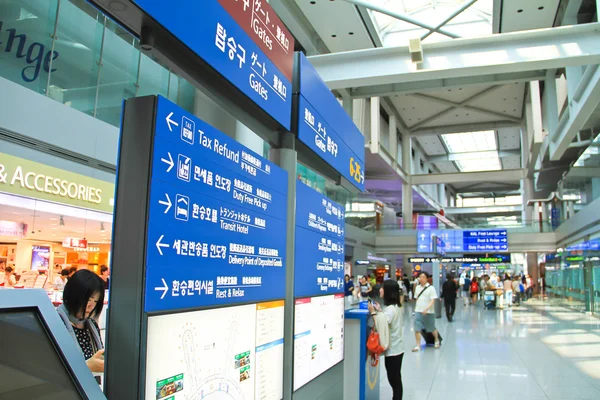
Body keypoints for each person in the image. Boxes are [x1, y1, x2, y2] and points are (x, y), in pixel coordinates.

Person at [56, 270, 105, 374]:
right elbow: (52, 367)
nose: (91, 306)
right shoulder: (56, 323)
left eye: (95, 301)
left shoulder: (91, 324)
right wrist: (87, 367)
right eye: (88, 299)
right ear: (74, 295)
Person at [369, 280, 404, 400]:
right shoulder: (395, 307)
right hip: (398, 348)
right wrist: (379, 311)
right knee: (396, 379)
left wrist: (373, 313)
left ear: (388, 291)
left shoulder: (391, 309)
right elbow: (385, 319)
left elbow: (381, 324)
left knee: (394, 380)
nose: (380, 290)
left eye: (382, 288)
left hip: (394, 350)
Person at [413, 272, 440, 351]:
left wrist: (427, 308)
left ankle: (436, 340)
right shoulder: (417, 287)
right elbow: (416, 298)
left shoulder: (431, 288)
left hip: (429, 312)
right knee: (417, 328)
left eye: (423, 277)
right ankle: (418, 345)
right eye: (420, 277)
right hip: (418, 311)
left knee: (431, 328)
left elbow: (433, 300)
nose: (421, 279)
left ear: (427, 278)